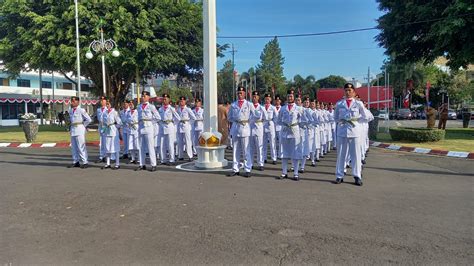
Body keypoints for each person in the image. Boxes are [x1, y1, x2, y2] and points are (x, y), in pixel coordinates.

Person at [334, 83, 367, 186]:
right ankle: (339, 175)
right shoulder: (339, 104)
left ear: (354, 92)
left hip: (354, 131)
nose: (348, 92)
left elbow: (365, 117)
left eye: (350, 90)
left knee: (356, 155)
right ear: (344, 92)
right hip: (342, 131)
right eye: (346, 90)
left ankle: (357, 176)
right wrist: (343, 122)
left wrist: (354, 121)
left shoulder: (358, 104)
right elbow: (335, 117)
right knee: (341, 155)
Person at [227, 87, 256, 178]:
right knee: (235, 149)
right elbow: (229, 117)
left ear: (244, 94)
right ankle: (235, 169)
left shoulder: (249, 104)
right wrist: (236, 121)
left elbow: (255, 115)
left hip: (245, 127)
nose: (240, 95)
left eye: (241, 93)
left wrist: (247, 121)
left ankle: (247, 169)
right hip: (236, 127)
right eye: (238, 93)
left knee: (246, 150)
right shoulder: (233, 105)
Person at [277, 89, 303, 180]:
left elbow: (302, 119)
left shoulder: (298, 108)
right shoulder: (283, 108)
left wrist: (296, 125)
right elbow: (279, 120)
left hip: (295, 132)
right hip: (285, 132)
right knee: (284, 153)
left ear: (294, 97)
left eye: (291, 96)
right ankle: (284, 172)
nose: (290, 98)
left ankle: (296, 173)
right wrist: (284, 124)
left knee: (295, 152)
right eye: (288, 96)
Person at [136, 91, 161, 172]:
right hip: (141, 127)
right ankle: (142, 164)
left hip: (149, 127)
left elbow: (158, 117)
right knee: (141, 147)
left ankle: (153, 164)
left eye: (145, 96)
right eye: (142, 96)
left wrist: (150, 122)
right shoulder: (138, 106)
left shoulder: (151, 106)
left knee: (150, 147)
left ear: (148, 97)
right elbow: (137, 117)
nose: (143, 97)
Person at [67, 96, 91, 169]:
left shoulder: (81, 110)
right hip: (73, 129)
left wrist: (83, 125)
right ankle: (75, 161)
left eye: (74, 101)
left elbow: (88, 119)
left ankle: (85, 162)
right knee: (74, 147)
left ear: (78, 102)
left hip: (80, 129)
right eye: (72, 101)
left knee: (81, 146)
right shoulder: (70, 110)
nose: (72, 102)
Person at [158, 93, 180, 165]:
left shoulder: (171, 108)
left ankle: (171, 159)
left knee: (170, 144)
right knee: (162, 144)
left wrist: (173, 124)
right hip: (162, 126)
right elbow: (158, 118)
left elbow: (178, 118)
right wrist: (160, 123)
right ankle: (163, 160)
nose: (164, 100)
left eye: (166, 99)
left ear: (169, 100)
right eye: (163, 99)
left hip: (169, 126)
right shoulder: (160, 109)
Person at [101, 100, 122, 170]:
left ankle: (117, 163)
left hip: (113, 132)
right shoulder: (104, 113)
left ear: (111, 105)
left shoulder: (114, 112)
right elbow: (103, 122)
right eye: (106, 104)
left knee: (115, 147)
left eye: (108, 104)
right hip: (107, 131)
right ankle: (108, 163)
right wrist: (103, 129)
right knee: (107, 147)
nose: (107, 105)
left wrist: (115, 127)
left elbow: (119, 122)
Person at [176, 96, 196, 161]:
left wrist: (189, 123)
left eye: (183, 100)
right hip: (180, 126)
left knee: (188, 141)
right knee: (180, 142)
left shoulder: (188, 109)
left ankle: (190, 156)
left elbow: (193, 118)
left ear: (185, 101)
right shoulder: (178, 109)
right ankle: (180, 156)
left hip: (186, 125)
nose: (182, 101)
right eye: (180, 100)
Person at [262, 93, 278, 165]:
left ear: (270, 100)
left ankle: (274, 158)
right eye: (266, 99)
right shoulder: (262, 107)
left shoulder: (273, 108)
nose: (267, 100)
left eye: (268, 99)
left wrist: (274, 123)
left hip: (270, 124)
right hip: (263, 124)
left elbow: (276, 117)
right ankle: (264, 157)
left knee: (272, 142)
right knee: (263, 142)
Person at [95, 96, 108, 163]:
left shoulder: (108, 109)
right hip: (101, 126)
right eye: (101, 100)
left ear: (106, 101)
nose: (102, 102)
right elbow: (98, 118)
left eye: (103, 100)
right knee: (101, 142)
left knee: (106, 142)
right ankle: (101, 156)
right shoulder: (98, 110)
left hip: (106, 126)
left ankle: (106, 156)